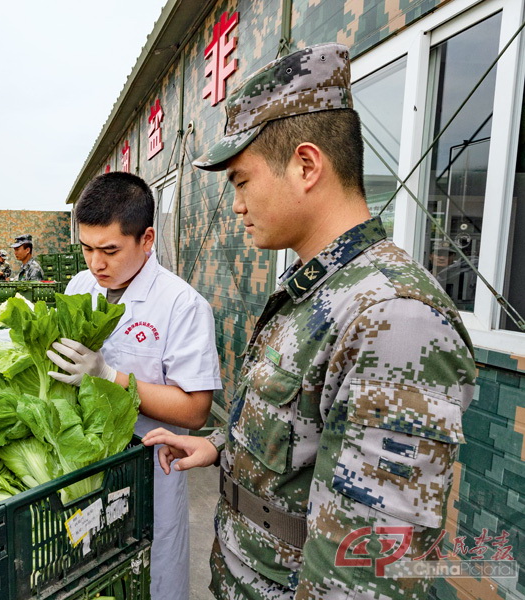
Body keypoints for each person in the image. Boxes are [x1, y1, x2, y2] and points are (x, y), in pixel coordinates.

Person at [142, 43, 476, 600]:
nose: (238, 206)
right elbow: (306, 435)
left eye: (242, 182)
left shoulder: (393, 319)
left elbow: (367, 570)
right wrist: (223, 448)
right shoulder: (319, 287)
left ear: (305, 165)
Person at [46, 171, 222, 600]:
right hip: (83, 469)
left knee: (150, 579)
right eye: (87, 248)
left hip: (150, 474)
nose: (96, 264)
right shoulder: (80, 286)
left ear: (146, 239)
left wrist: (109, 377)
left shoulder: (181, 305)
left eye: (110, 250)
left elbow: (195, 410)